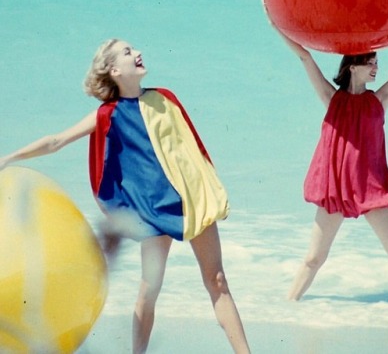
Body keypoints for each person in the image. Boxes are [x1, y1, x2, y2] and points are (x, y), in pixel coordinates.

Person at [0, 39, 251, 353]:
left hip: (190, 202)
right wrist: (8, 158)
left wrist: (207, 192)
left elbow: (188, 152)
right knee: (149, 291)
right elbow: (56, 141)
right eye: (128, 52)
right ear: (114, 70)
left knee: (217, 280)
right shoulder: (108, 114)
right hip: (153, 210)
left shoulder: (165, 98)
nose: (138, 53)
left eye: (135, 49)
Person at [269, 0, 388, 308]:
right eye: (371, 61)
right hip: (336, 190)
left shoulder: (380, 100)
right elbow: (305, 58)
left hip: (371, 190)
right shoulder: (332, 100)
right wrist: (277, 23)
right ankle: (284, 308)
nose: (376, 66)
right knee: (313, 258)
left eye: (375, 62)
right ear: (353, 66)